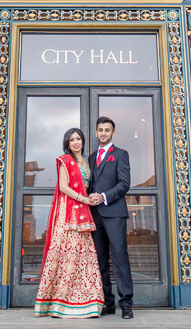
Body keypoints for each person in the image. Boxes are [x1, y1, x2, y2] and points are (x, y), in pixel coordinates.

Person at [34, 128, 104, 318]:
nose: (75, 142)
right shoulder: (66, 161)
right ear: (67, 143)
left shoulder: (87, 161)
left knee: (83, 257)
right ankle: (59, 303)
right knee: (67, 255)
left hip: (84, 212)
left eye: (78, 139)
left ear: (82, 141)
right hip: (69, 212)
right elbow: (64, 187)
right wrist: (84, 199)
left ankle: (85, 303)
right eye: (71, 139)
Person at [88, 116, 134, 320]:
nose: (104, 133)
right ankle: (107, 302)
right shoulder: (90, 157)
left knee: (119, 258)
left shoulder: (121, 154)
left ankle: (126, 303)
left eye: (107, 130)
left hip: (114, 213)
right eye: (100, 130)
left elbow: (124, 184)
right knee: (99, 260)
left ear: (113, 133)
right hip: (94, 215)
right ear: (96, 133)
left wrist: (103, 197)